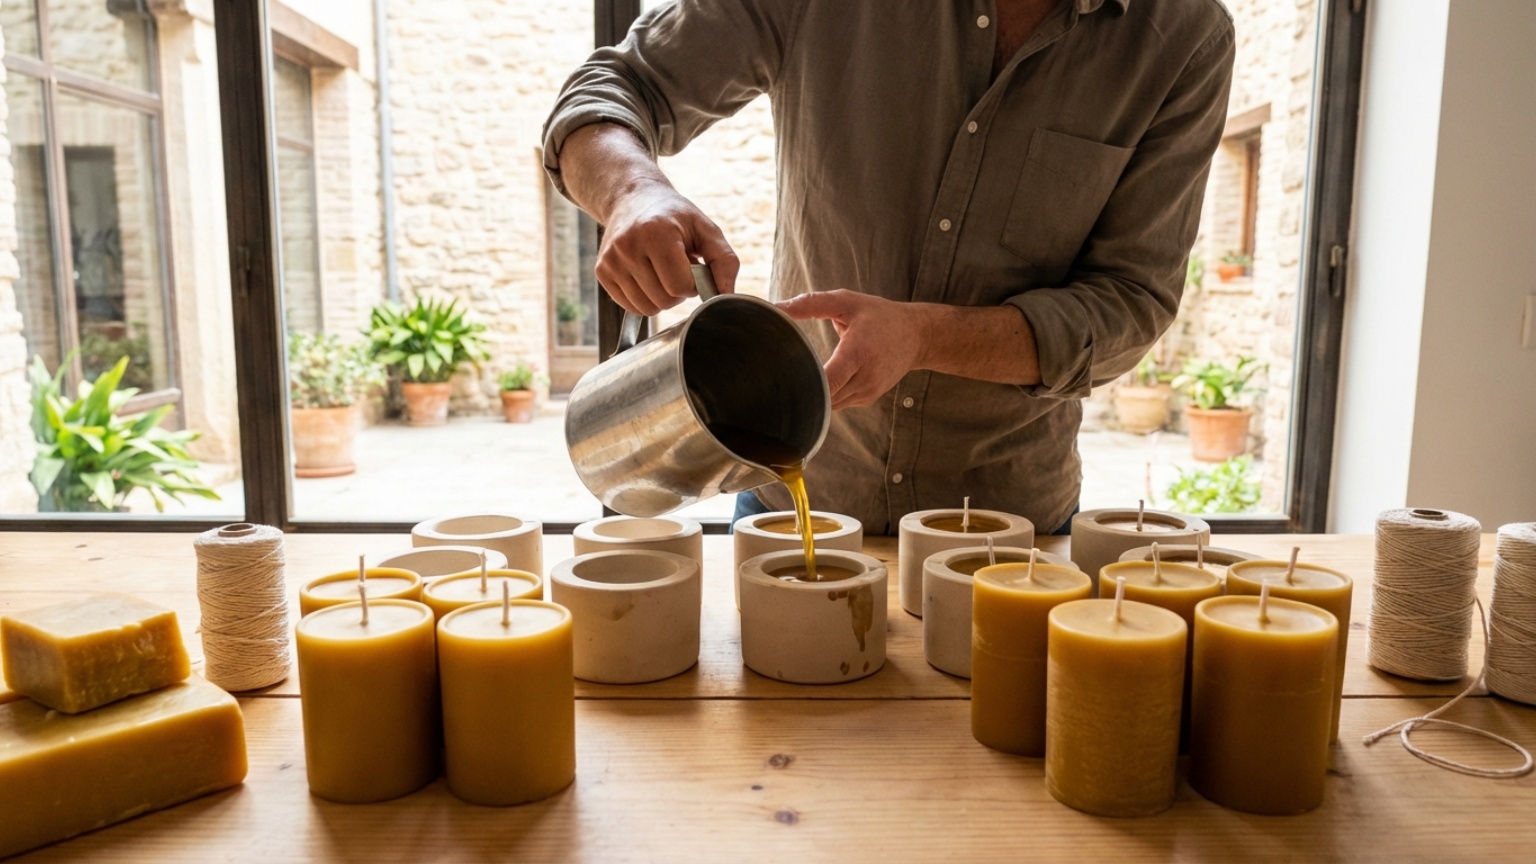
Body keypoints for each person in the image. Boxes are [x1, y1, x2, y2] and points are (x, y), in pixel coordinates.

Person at [543, 0, 1235, 536]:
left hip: (1004, 527)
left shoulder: (1182, 37)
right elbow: (610, 89)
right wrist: (633, 191)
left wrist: (926, 336)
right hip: (796, 498)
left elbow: (1131, 302)